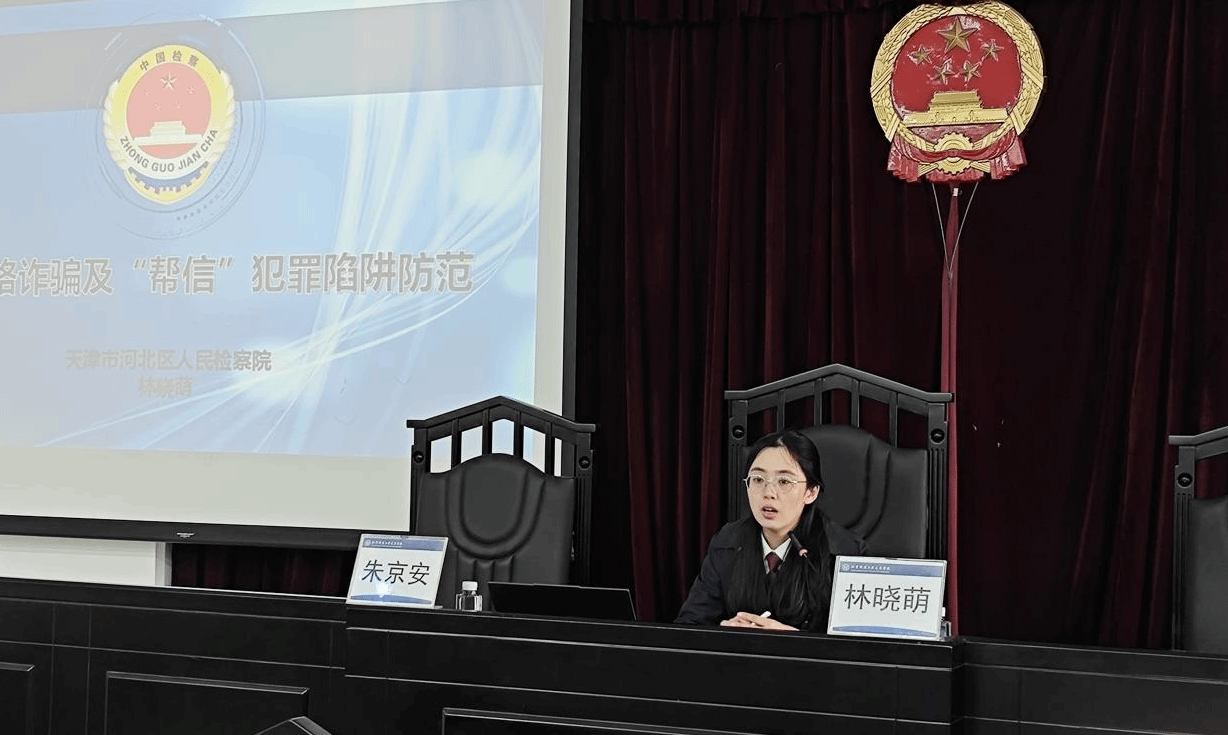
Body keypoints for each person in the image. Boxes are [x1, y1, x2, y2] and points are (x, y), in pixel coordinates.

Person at [675, 429, 866, 631]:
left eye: (784, 481)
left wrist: (794, 640)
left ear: (811, 492)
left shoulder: (844, 554)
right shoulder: (727, 542)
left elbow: (856, 642)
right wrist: (725, 629)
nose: (768, 493)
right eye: (758, 480)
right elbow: (689, 626)